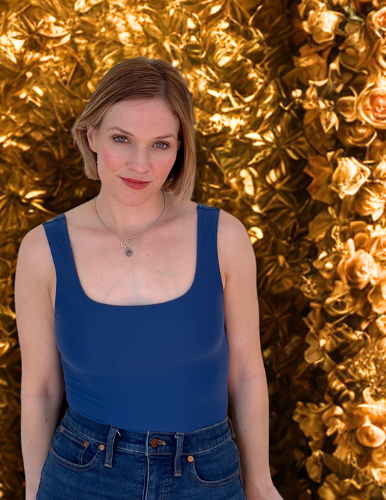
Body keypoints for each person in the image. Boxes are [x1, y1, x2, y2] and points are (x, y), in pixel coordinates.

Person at [15, 56, 284, 500]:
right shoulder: (42, 250)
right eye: (122, 139)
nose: (139, 164)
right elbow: (42, 388)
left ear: (180, 150)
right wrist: (33, 490)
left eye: (160, 144)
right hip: (82, 475)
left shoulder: (224, 238)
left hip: (206, 476)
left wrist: (260, 481)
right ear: (92, 136)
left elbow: (246, 373)